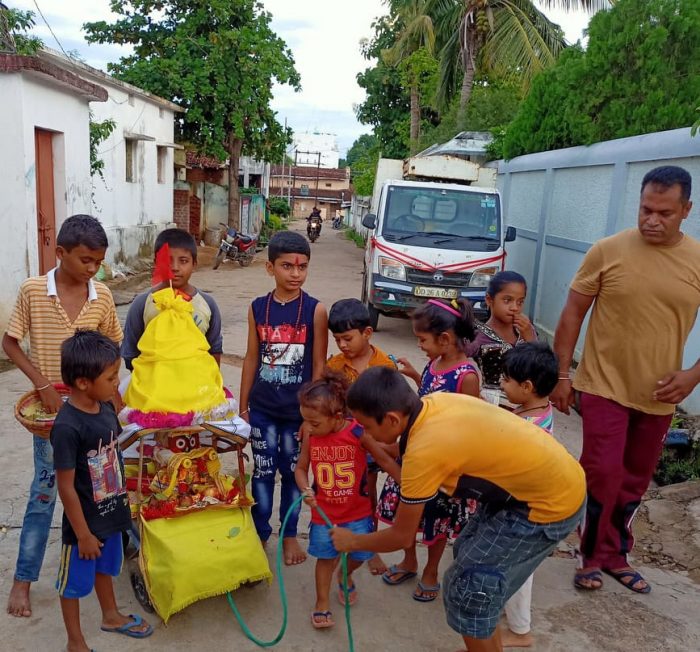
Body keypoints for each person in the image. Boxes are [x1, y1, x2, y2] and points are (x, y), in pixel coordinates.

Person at [331, 367, 586, 652]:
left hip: (549, 506)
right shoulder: (433, 404)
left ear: (391, 419)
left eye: (366, 427)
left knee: (469, 589)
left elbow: (401, 536)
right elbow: (407, 456)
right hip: (540, 486)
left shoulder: (424, 452)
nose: (364, 433)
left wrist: (352, 541)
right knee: (469, 562)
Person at [551, 165, 700, 594]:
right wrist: (564, 374)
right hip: (603, 385)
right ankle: (590, 556)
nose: (652, 219)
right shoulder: (608, 251)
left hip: (660, 394)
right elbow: (573, 313)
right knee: (602, 471)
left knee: (635, 478)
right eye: (646, 209)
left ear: (686, 210)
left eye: (664, 213)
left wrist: (692, 376)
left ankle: (617, 554)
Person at [3, 214, 122, 619]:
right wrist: (42, 384)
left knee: (102, 488)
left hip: (97, 412)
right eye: (85, 260)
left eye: (98, 262)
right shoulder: (34, 291)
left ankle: (108, 554)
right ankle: (24, 576)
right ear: (61, 253)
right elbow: (11, 341)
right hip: (54, 419)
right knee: (45, 492)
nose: (92, 269)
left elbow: (113, 350)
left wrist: (116, 400)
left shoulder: (102, 295)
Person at [52, 331, 152, 650]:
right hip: (84, 524)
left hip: (112, 512)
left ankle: (111, 615)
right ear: (83, 382)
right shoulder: (68, 427)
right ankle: (75, 641)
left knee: (106, 568)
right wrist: (82, 533)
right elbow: (66, 487)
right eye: (111, 377)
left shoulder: (105, 407)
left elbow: (115, 452)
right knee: (74, 583)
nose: (116, 382)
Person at [381, 299, 481, 603]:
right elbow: (428, 396)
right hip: (415, 453)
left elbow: (470, 427)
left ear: (445, 339)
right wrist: (414, 375)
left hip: (443, 466)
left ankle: (431, 570)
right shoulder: (434, 363)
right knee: (407, 513)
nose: (420, 345)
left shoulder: (467, 376)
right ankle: (410, 560)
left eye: (422, 339)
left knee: (437, 520)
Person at [239, 231, 328, 565]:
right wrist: (243, 407)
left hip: (297, 414)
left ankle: (289, 534)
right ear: (269, 267)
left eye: (302, 266)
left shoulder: (316, 311)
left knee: (293, 474)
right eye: (287, 266)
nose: (295, 273)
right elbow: (251, 357)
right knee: (262, 474)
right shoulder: (257, 308)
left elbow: (318, 364)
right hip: (262, 410)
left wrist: (311, 416)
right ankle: (260, 533)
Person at [294, 372, 400, 629]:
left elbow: (384, 460)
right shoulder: (311, 436)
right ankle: (321, 603)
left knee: (361, 553)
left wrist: (408, 484)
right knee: (325, 558)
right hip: (324, 515)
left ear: (338, 417)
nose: (308, 427)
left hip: (358, 513)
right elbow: (300, 469)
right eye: (305, 420)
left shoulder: (357, 433)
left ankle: (346, 574)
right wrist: (306, 489)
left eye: (314, 422)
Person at [326, 298, 397, 575]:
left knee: (368, 494)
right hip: (344, 444)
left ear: (367, 333)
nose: (343, 345)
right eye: (337, 339)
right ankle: (340, 543)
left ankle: (371, 546)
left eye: (347, 338)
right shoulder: (334, 366)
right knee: (342, 495)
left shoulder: (384, 366)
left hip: (374, 443)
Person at [498, 342, 559, 648]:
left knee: (517, 569)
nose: (501, 383)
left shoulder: (529, 428)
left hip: (527, 510)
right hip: (529, 505)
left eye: (506, 380)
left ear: (527, 386)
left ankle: (521, 631)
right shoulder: (538, 408)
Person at [121, 228, 223, 370]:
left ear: (194, 264)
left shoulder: (207, 305)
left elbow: (214, 351)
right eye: (167, 261)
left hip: (195, 386)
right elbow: (130, 353)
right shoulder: (143, 304)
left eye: (183, 261)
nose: (175, 268)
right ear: (157, 262)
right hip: (152, 388)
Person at [466, 271, 537, 387]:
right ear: (489, 300)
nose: (514, 308)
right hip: (492, 402)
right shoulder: (479, 335)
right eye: (507, 300)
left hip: (525, 402)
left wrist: (530, 339)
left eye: (520, 302)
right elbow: (456, 360)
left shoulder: (526, 331)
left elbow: (541, 367)